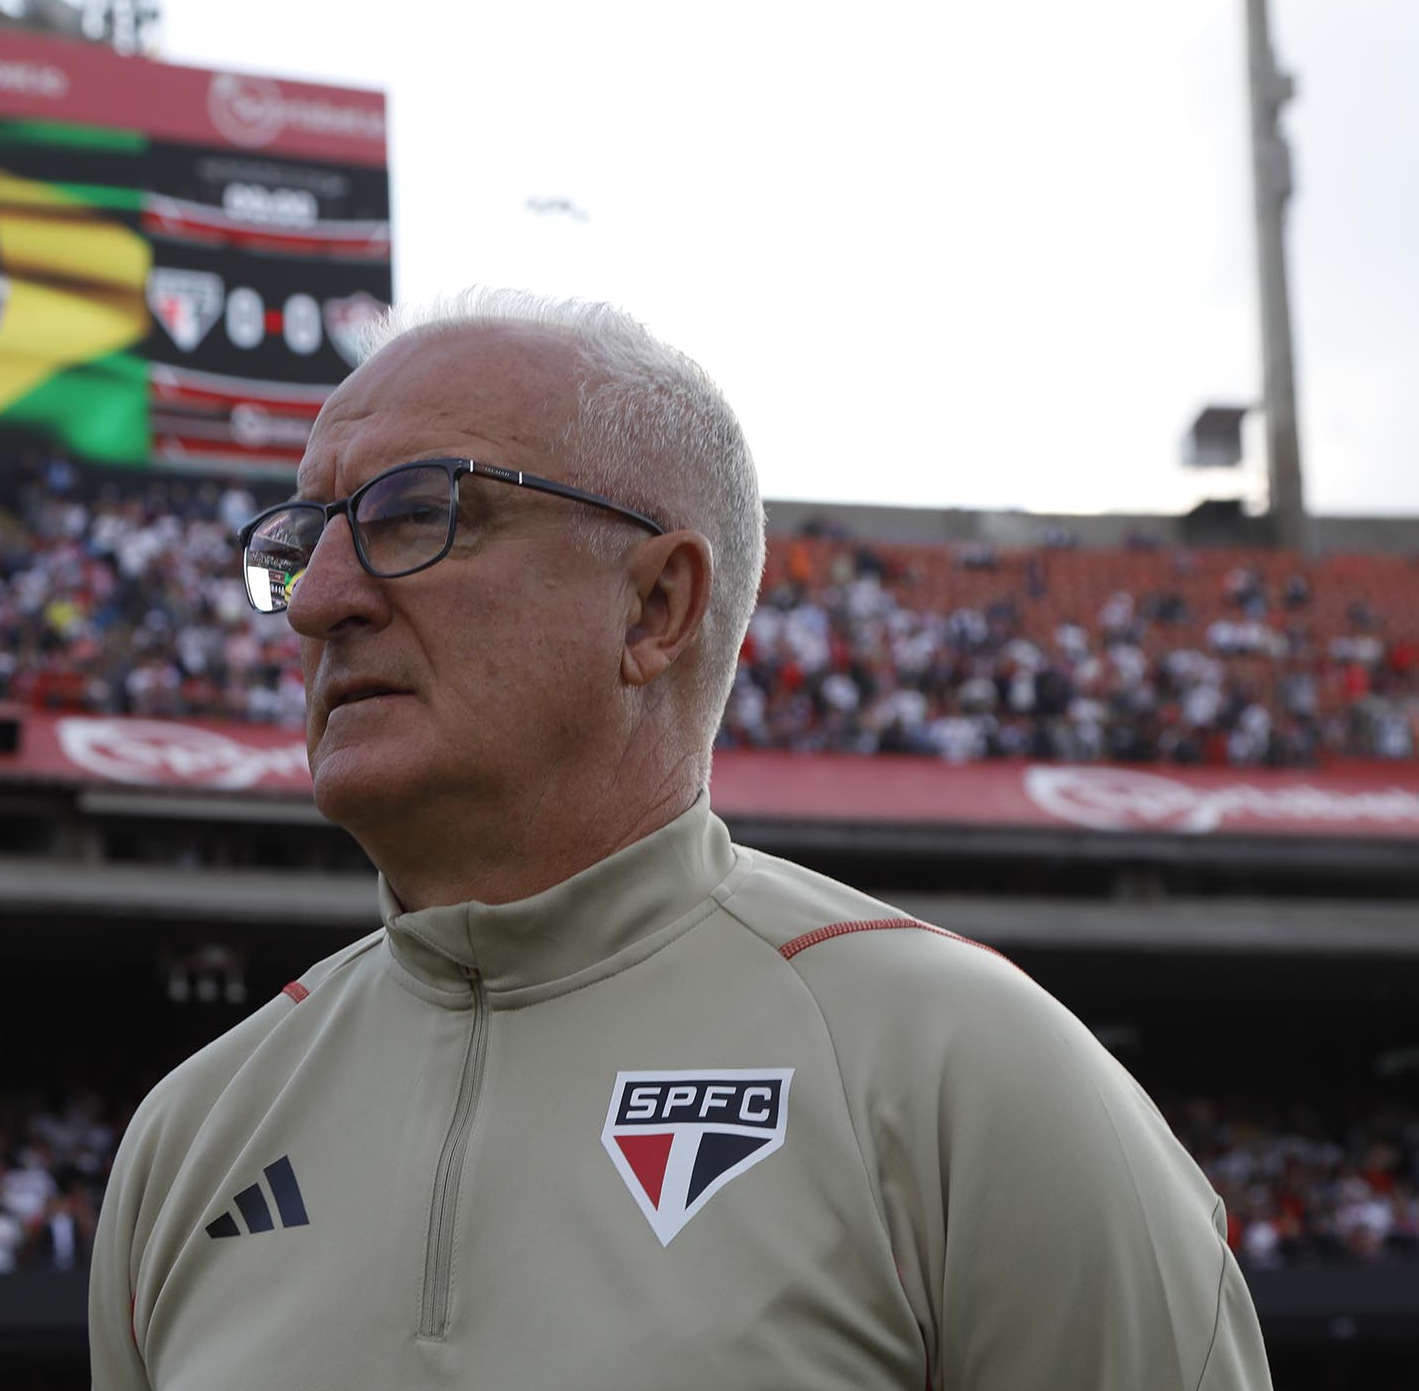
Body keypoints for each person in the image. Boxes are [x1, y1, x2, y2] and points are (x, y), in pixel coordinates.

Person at [87, 290, 1272, 1390]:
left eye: (414, 513)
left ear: (655, 606)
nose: (314, 600)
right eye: (299, 540)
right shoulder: (188, 1137)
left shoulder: (961, 1070)